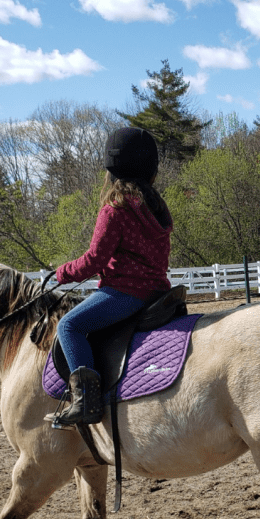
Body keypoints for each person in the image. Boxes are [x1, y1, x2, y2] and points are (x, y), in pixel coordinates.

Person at [49, 127, 173, 426]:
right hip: (157, 292)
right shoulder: (156, 209)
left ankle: (85, 402)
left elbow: (95, 259)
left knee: (68, 326)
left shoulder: (114, 209)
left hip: (124, 294)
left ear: (111, 170)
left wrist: (63, 273)